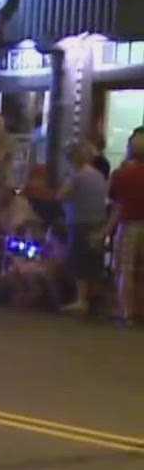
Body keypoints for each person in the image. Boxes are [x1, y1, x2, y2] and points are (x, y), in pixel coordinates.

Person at [58, 142, 109, 316]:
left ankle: (81, 300)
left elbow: (62, 195)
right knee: (94, 261)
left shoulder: (77, 176)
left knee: (80, 261)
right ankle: (93, 297)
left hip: (80, 222)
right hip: (98, 221)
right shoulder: (98, 175)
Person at [107, 128, 144, 325]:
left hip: (129, 225)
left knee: (125, 269)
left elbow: (116, 204)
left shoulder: (122, 174)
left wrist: (105, 231)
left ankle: (126, 311)